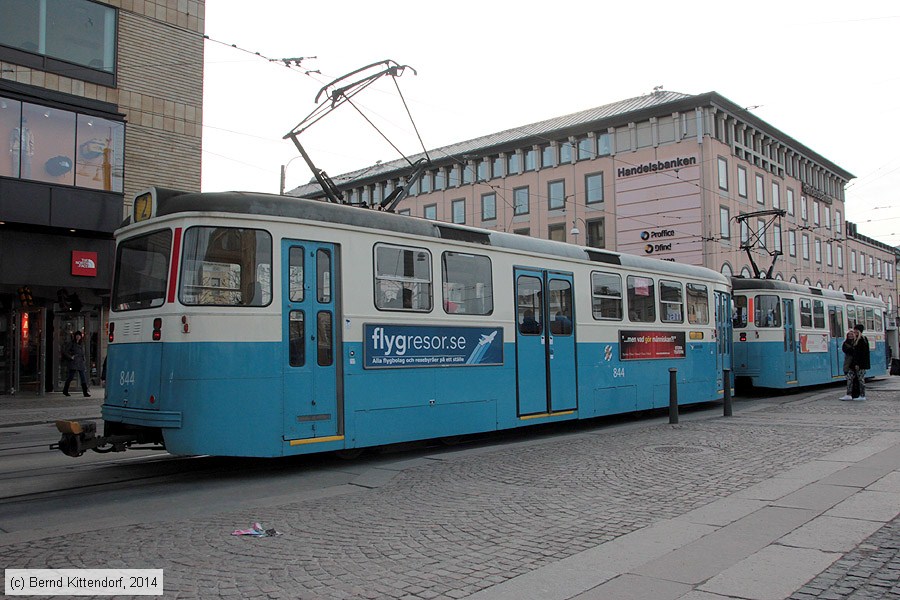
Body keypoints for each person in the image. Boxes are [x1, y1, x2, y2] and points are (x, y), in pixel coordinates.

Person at [62, 331, 91, 397]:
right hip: (74, 362)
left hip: (80, 363)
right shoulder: (71, 343)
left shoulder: (81, 344)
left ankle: (85, 392)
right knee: (70, 377)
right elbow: (65, 351)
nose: (78, 337)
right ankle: (65, 390)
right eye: (77, 335)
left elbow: (83, 354)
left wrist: (84, 361)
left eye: (79, 336)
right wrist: (71, 357)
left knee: (83, 377)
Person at [840, 329, 858, 400]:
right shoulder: (846, 343)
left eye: (851, 334)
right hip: (848, 363)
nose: (850, 336)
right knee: (849, 379)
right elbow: (847, 350)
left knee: (855, 379)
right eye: (849, 335)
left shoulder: (856, 342)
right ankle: (849, 393)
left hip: (854, 363)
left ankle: (854, 394)